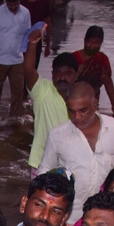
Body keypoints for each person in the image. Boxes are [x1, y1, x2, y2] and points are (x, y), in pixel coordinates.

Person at [36, 81, 114, 223]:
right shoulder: (57, 135)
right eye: (72, 111)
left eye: (83, 110)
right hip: (70, 218)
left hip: (109, 216)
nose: (77, 117)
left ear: (95, 104)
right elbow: (44, 170)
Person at [21, 28, 76, 178]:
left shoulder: (81, 98)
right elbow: (28, 70)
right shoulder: (43, 91)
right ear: (52, 74)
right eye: (58, 72)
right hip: (42, 164)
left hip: (71, 165)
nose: (62, 77)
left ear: (76, 75)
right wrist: (32, 45)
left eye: (68, 73)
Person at [71, 25, 114, 118]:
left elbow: (107, 82)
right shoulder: (74, 58)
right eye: (90, 42)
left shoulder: (102, 59)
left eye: (96, 43)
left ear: (101, 43)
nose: (92, 46)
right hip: (74, 102)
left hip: (93, 103)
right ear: (85, 41)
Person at [19, 0, 52, 64]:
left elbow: (47, 23)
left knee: (32, 74)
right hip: (20, 47)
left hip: (36, 47)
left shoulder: (44, 1)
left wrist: (48, 45)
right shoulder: (20, 3)